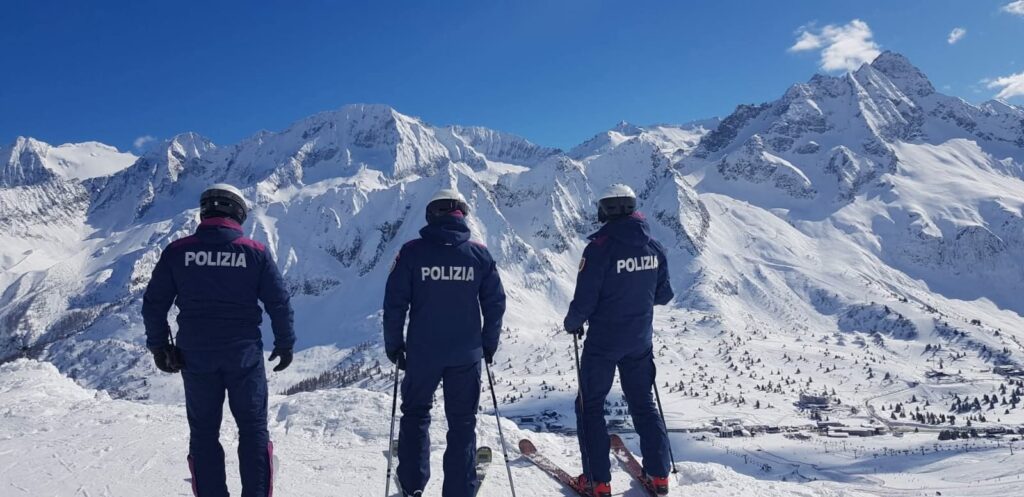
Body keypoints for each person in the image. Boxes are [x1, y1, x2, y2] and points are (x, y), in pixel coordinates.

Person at [143, 183, 295, 497]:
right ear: (238, 212)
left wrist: (159, 346)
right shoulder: (255, 252)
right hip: (243, 356)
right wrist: (284, 341)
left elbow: (154, 303)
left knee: (203, 434)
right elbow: (278, 302)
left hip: (195, 356)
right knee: (253, 431)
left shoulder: (178, 251)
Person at [383, 188, 506, 497]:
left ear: (430, 216)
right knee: (463, 422)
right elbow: (495, 304)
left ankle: (411, 485)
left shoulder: (412, 252)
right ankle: (459, 490)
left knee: (415, 415)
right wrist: (488, 345)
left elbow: (395, 303)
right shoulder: (479, 254)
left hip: (423, 353)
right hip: (465, 354)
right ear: (462, 215)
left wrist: (394, 345)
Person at [563, 183, 674, 497]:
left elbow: (584, 300)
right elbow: (663, 295)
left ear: (603, 211)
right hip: (639, 339)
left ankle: (597, 481)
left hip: (602, 343)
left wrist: (572, 323)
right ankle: (659, 474)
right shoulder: (654, 247)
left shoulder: (599, 249)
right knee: (642, 403)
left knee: (590, 406)